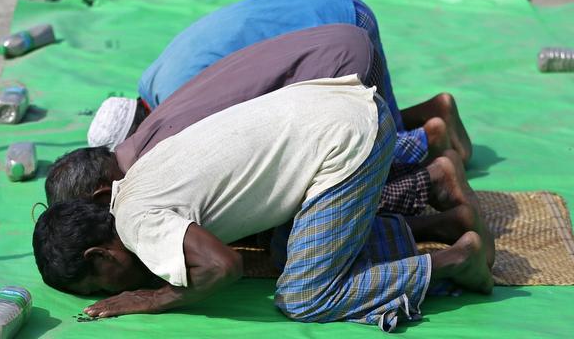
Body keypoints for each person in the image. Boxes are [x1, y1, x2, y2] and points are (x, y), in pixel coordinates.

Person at [33, 75, 493, 332]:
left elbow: (223, 266)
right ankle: (445, 225)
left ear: (101, 254)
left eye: (102, 289)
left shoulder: (134, 223)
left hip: (350, 140)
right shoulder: (135, 182)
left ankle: (456, 261)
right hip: (337, 107)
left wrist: (150, 298)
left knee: (304, 295)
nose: (113, 295)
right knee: (286, 252)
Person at [55, 25, 466, 221]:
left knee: (305, 207)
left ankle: (430, 179)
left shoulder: (151, 164)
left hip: (341, 74)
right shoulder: (144, 135)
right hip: (339, 48)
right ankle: (422, 143)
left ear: (100, 194)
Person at [136, 0, 472, 164]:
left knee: (375, 145)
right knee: (383, 116)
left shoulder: (176, 101)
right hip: (338, 10)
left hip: (337, 38)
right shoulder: (152, 81)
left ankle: (428, 139)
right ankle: (434, 112)